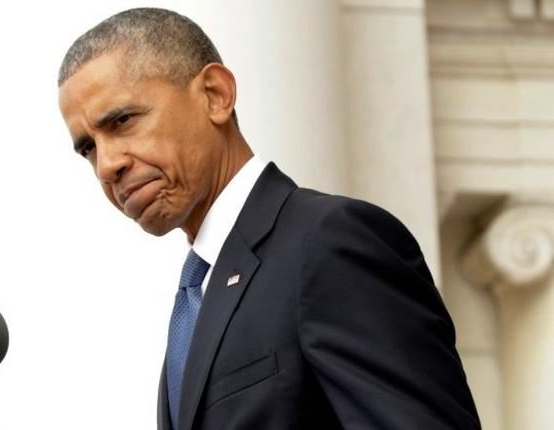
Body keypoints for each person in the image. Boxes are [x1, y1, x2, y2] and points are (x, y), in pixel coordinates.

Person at [57, 7, 480, 430]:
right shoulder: (198, 295)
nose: (107, 165)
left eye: (123, 121)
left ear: (215, 95)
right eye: (88, 148)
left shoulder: (328, 242)